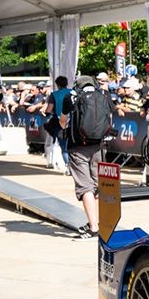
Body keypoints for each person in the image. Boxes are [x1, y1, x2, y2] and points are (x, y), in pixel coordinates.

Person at [58, 74, 107, 237]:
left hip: (77, 146)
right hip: (98, 146)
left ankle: (93, 228)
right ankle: (98, 222)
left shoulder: (70, 97)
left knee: (85, 186)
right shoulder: (103, 95)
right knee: (97, 185)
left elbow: (63, 121)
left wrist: (64, 126)